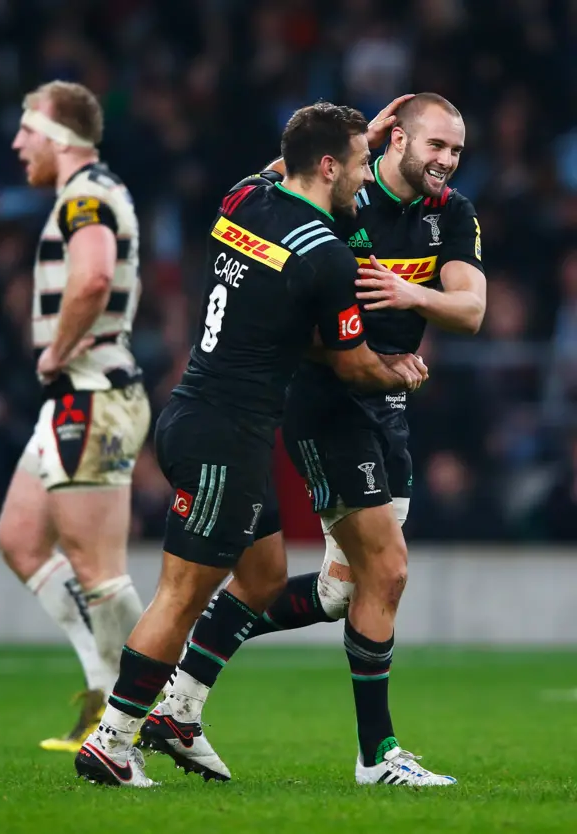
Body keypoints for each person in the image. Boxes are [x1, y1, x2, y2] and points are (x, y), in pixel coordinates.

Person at [74, 101, 428, 787]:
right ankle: (114, 738)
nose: (367, 177)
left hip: (197, 413)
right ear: (328, 166)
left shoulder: (247, 197)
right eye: (360, 163)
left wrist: (348, 133)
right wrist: (400, 372)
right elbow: (351, 362)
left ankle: (177, 715)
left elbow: (280, 168)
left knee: (262, 579)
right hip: (225, 439)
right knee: (177, 596)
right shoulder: (326, 255)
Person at [145, 92, 485, 787]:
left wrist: (412, 296)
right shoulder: (342, 201)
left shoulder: (452, 214)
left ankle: (181, 699)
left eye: (455, 149)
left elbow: (472, 310)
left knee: (342, 592)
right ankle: (377, 756)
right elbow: (290, 176)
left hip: (387, 406)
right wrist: (345, 128)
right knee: (387, 571)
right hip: (326, 400)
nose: (447, 161)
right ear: (396, 142)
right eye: (435, 146)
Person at [0, 81, 150, 752]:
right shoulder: (88, 190)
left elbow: (91, 278)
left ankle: (146, 713)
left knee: (99, 569)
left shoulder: (86, 194)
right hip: (78, 395)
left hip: (92, 394)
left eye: (26, 130)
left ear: (55, 134)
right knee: (21, 536)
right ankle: (103, 692)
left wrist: (55, 348)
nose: (16, 143)